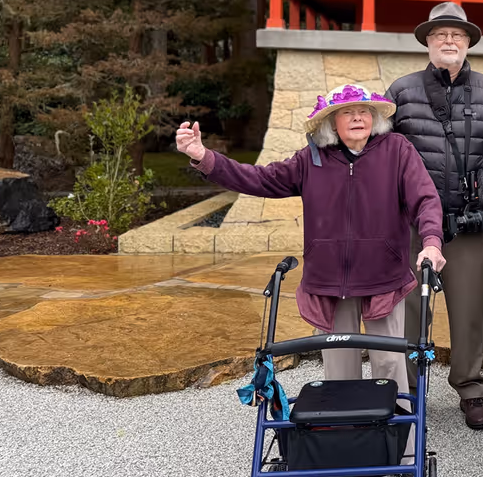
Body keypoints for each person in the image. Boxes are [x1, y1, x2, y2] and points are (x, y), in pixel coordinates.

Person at [175, 84, 445, 392]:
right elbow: (260, 179)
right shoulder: (310, 159)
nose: (358, 118)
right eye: (348, 113)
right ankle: (345, 435)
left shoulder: (397, 149)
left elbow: (425, 198)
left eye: (364, 112)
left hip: (383, 277)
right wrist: (204, 156)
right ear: (332, 122)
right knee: (339, 371)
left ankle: (396, 437)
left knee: (389, 367)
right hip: (329, 282)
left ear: (375, 119)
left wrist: (431, 242)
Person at [386, 2, 483, 430]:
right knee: (410, 310)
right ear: (427, 41)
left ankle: (471, 387)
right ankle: (409, 389)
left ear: (469, 41)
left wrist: (475, 185)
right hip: (411, 223)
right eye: (440, 35)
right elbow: (383, 152)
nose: (449, 41)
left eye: (457, 35)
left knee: (469, 308)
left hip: (469, 219)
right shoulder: (401, 90)